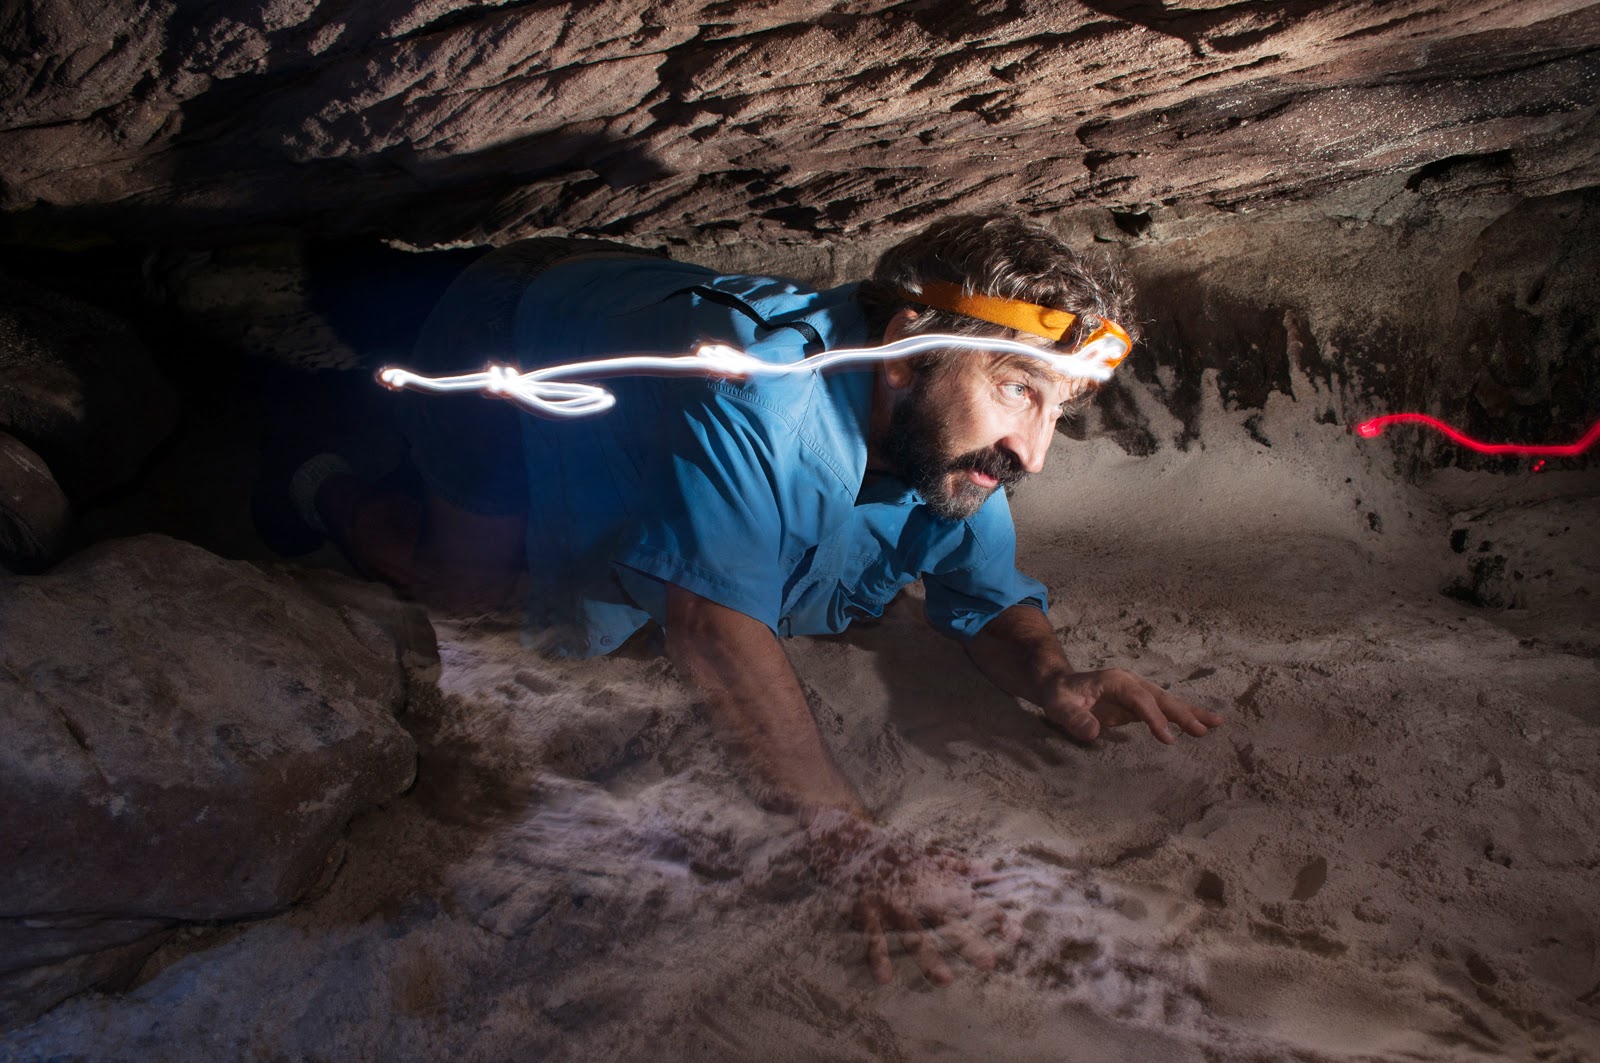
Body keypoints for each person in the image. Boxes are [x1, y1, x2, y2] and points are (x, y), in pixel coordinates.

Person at [280, 213, 1223, 985]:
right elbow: (711, 626)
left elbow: (983, 595)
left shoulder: (955, 443)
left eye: (1058, 407)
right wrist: (849, 840)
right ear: (903, 351)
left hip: (634, 296)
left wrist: (1055, 676)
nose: (1036, 450)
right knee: (463, 584)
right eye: (1019, 389)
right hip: (518, 317)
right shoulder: (753, 390)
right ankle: (316, 479)